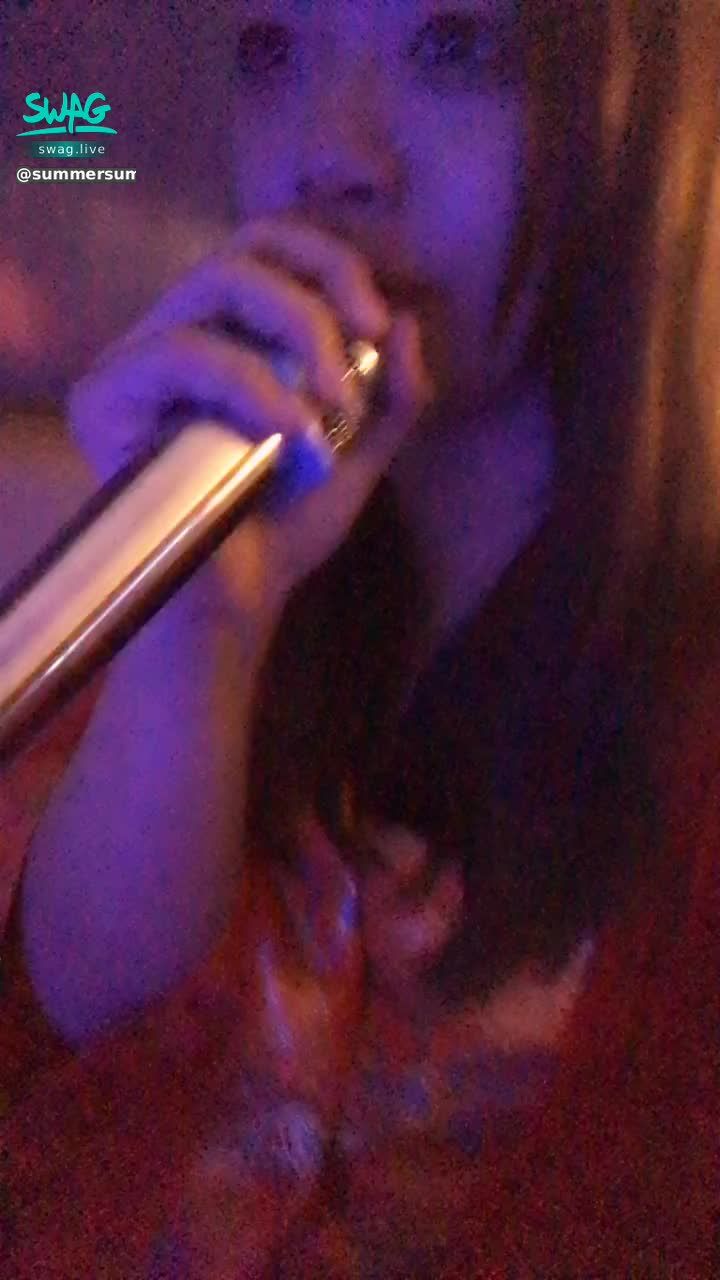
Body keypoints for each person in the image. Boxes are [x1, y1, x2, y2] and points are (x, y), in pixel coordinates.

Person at [2, 1, 718, 1275]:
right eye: (272, 50)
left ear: (650, 119)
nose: (329, 157)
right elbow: (77, 1009)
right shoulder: (231, 538)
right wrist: (199, 628)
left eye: (458, 49)